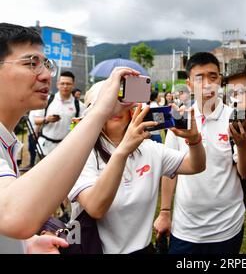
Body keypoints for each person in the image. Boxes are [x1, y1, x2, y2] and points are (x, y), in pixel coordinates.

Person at [0, 22, 141, 253]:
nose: (46, 75)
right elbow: (13, 215)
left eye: (46, 65)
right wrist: (99, 112)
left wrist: (25, 245)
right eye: (31, 63)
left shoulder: (8, 141)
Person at [68, 82, 206, 254]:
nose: (114, 108)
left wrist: (194, 140)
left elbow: (196, 165)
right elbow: (95, 208)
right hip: (94, 249)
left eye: (120, 101)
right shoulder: (81, 154)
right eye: (106, 103)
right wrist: (123, 151)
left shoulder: (149, 148)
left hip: (143, 250)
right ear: (91, 112)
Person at [153, 52, 246, 254]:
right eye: (199, 77)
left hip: (227, 225)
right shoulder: (180, 119)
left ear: (221, 81)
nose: (207, 83)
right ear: (189, 83)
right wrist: (165, 211)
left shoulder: (233, 119)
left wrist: (242, 146)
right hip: (186, 227)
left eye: (213, 76)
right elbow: (169, 170)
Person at [35, 71, 86, 155]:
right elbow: (36, 120)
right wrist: (47, 119)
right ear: (57, 84)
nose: (65, 86)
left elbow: (79, 128)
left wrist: (74, 124)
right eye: (62, 83)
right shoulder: (48, 100)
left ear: (73, 85)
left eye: (68, 84)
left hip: (66, 150)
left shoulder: (79, 106)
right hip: (45, 148)